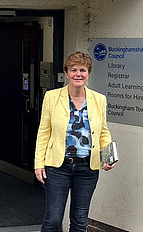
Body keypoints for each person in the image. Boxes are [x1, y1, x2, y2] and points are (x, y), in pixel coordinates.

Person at [34, 51, 115, 232]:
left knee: (79, 221)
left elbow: (103, 131)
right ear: (67, 72)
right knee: (53, 220)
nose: (78, 74)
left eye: (83, 70)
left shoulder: (99, 99)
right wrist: (38, 163)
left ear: (88, 73)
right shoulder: (52, 97)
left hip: (87, 168)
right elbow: (44, 132)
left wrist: (108, 156)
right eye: (73, 70)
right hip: (57, 168)